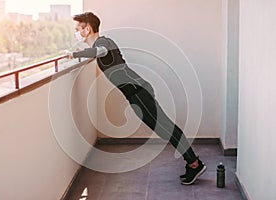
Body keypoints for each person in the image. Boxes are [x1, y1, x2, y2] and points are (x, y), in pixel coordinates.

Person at [65, 12, 207, 185]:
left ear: (87, 29)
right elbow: (97, 53)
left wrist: (74, 54)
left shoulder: (103, 42)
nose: (76, 32)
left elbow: (99, 51)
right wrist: (82, 52)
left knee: (166, 128)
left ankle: (194, 163)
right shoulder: (103, 42)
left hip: (138, 92)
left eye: (78, 29)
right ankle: (193, 162)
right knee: (165, 128)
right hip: (136, 92)